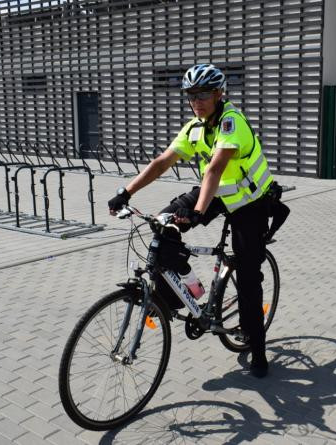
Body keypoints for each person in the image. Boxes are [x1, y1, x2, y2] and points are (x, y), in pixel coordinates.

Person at [108, 63, 274, 378]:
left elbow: (215, 168)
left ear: (219, 93)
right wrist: (126, 192)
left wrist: (197, 211)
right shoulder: (194, 127)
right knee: (163, 226)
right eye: (191, 95)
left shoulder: (232, 122)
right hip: (216, 193)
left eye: (203, 94)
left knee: (248, 278)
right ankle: (178, 294)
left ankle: (258, 348)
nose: (197, 101)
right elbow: (162, 162)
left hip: (250, 203)